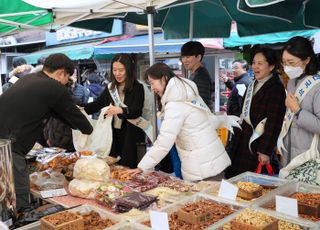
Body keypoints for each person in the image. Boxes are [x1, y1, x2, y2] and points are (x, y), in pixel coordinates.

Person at [0, 53, 93, 211]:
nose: (66, 83)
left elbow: (57, 112)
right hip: (8, 147)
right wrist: (89, 129)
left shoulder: (30, 79)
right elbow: (78, 120)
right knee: (19, 196)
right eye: (67, 78)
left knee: (4, 195)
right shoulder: (54, 87)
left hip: (5, 142)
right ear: (60, 73)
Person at [130, 63, 232, 181]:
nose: (152, 88)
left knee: (207, 197)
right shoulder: (184, 93)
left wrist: (143, 167)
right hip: (209, 160)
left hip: (202, 166)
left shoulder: (175, 104)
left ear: (164, 78)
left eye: (153, 83)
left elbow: (164, 142)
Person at [225, 48, 286, 178]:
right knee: (235, 178)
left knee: (250, 183)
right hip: (242, 139)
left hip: (257, 144)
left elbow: (274, 122)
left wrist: (265, 151)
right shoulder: (253, 84)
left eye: (260, 63)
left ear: (271, 66)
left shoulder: (276, 88)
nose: (255, 67)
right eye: (254, 63)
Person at [84, 54, 145, 168]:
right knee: (114, 166)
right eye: (114, 70)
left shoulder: (138, 87)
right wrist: (80, 108)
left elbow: (136, 111)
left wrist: (120, 110)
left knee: (128, 167)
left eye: (121, 70)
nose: (117, 73)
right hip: (113, 134)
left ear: (129, 70)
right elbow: (96, 105)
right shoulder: (110, 87)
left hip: (130, 134)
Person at [278, 36, 320, 166]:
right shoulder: (292, 81)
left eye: (291, 63)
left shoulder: (317, 85)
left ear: (307, 60)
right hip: (289, 153)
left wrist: (297, 110)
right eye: (284, 62)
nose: (287, 67)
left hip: (310, 157)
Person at [181, 41, 213, 110]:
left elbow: (202, 104)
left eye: (188, 57)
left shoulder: (201, 76)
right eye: (183, 57)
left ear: (198, 57)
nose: (184, 60)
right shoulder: (196, 73)